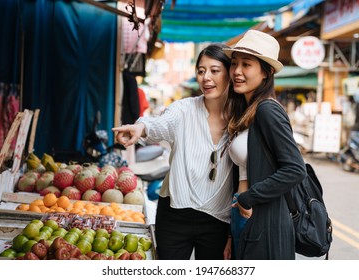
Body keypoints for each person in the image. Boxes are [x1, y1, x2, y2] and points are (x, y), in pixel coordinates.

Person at [112, 44, 234, 260]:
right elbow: (161, 123)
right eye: (201, 70)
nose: (206, 77)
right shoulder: (184, 109)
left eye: (215, 70)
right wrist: (140, 128)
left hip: (219, 220)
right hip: (175, 215)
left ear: (229, 73)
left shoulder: (240, 118)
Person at [222, 30, 307, 260]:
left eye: (246, 65)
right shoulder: (246, 113)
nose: (237, 72)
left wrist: (248, 198)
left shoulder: (267, 110)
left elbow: (295, 169)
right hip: (244, 217)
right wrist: (231, 232)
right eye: (234, 63)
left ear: (266, 72)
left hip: (263, 220)